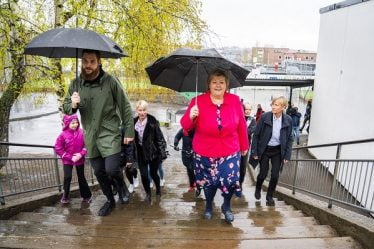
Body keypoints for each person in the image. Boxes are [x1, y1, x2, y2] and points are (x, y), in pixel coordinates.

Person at [62, 49, 134, 216]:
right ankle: (110, 200)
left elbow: (124, 106)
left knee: (111, 169)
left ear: (99, 62)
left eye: (92, 61)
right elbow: (66, 109)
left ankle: (121, 186)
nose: (88, 65)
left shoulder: (110, 81)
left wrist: (129, 131)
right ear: (81, 62)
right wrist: (72, 104)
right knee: (99, 172)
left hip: (110, 132)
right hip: (91, 136)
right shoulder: (75, 84)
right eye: (85, 61)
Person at [180, 69, 249, 223]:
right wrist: (191, 116)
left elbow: (242, 125)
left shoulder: (235, 100)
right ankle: (209, 205)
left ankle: (226, 205)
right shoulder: (198, 101)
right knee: (208, 183)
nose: (218, 85)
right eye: (214, 82)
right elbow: (185, 127)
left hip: (230, 150)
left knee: (230, 182)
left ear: (227, 85)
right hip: (204, 151)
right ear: (208, 85)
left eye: (221, 82)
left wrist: (245, 145)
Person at [251, 96, 293, 206]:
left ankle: (269, 196)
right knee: (262, 174)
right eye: (273, 104)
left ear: (283, 107)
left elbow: (290, 138)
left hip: (278, 151)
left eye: (276, 105)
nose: (273, 107)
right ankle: (258, 187)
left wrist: (287, 155)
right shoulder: (265, 117)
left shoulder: (288, 119)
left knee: (275, 175)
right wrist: (254, 152)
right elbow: (256, 135)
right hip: (265, 149)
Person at [134, 100, 167, 202]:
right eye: (140, 110)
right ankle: (148, 193)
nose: (142, 113)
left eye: (144, 110)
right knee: (144, 175)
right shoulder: (133, 122)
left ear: (147, 110)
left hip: (153, 153)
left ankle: (158, 189)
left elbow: (160, 138)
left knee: (153, 173)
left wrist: (162, 153)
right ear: (137, 111)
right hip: (140, 153)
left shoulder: (153, 122)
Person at [54, 114, 92, 204]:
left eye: (76, 122)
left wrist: (80, 154)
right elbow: (58, 147)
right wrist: (70, 157)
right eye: (72, 123)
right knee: (67, 177)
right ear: (67, 124)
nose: (75, 124)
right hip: (67, 160)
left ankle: (86, 196)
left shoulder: (82, 132)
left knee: (81, 177)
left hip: (80, 159)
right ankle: (65, 196)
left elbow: (87, 145)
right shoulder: (62, 135)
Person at [240, 102, 256, 188]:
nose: (248, 111)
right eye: (246, 109)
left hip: (245, 146)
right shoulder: (238, 118)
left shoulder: (252, 120)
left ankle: (240, 183)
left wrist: (241, 130)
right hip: (235, 146)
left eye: (249, 109)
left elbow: (250, 131)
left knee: (243, 166)